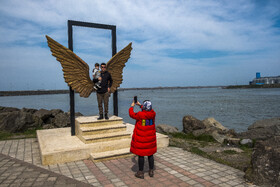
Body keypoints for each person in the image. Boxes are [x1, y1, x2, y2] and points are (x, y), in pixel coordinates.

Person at [129, 100, 157, 179]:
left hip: (141, 139)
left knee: (141, 155)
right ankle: (151, 171)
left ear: (144, 108)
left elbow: (131, 114)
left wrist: (132, 106)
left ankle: (140, 172)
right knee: (150, 155)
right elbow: (150, 110)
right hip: (150, 139)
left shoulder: (140, 115)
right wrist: (140, 105)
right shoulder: (153, 114)